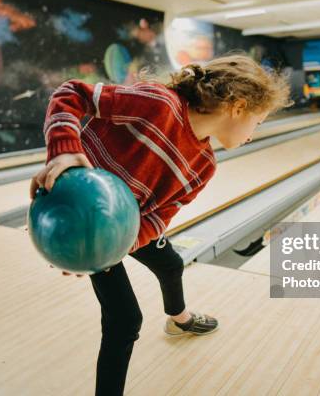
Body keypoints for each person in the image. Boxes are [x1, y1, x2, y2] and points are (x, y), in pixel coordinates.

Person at [29, 53, 291, 395]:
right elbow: (71, 95)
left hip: (119, 228)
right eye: (259, 122)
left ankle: (179, 320)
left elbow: (158, 217)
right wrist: (63, 151)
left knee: (171, 263)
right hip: (82, 215)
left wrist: (117, 246)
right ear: (238, 107)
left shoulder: (204, 165)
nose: (253, 135)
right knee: (125, 321)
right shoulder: (159, 104)